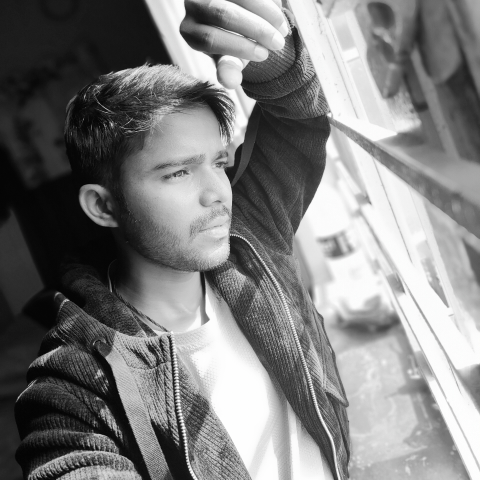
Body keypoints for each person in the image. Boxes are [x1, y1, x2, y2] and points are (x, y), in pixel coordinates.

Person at [15, 0, 350, 478]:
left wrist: (266, 47)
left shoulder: (251, 237)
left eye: (218, 162)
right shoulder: (78, 384)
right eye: (177, 173)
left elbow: (299, 117)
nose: (217, 194)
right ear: (103, 206)